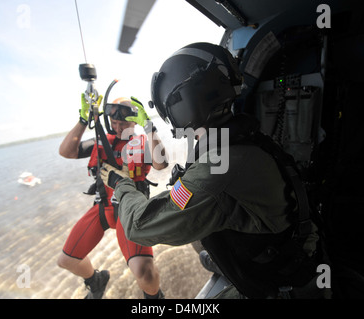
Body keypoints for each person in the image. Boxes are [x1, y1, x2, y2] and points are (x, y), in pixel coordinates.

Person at [100, 42, 321, 299]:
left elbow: (141, 226)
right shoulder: (242, 137)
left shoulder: (218, 164)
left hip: (285, 286)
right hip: (293, 257)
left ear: (181, 104)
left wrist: (120, 183)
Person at [57, 91, 168, 299]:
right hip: (102, 208)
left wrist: (150, 128)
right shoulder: (101, 140)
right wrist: (83, 120)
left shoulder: (143, 143)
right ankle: (96, 280)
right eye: (114, 123)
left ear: (134, 122)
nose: (117, 128)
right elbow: (66, 151)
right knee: (66, 260)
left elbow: (161, 164)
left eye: (123, 124)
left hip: (131, 212)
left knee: (147, 275)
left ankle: (154, 298)